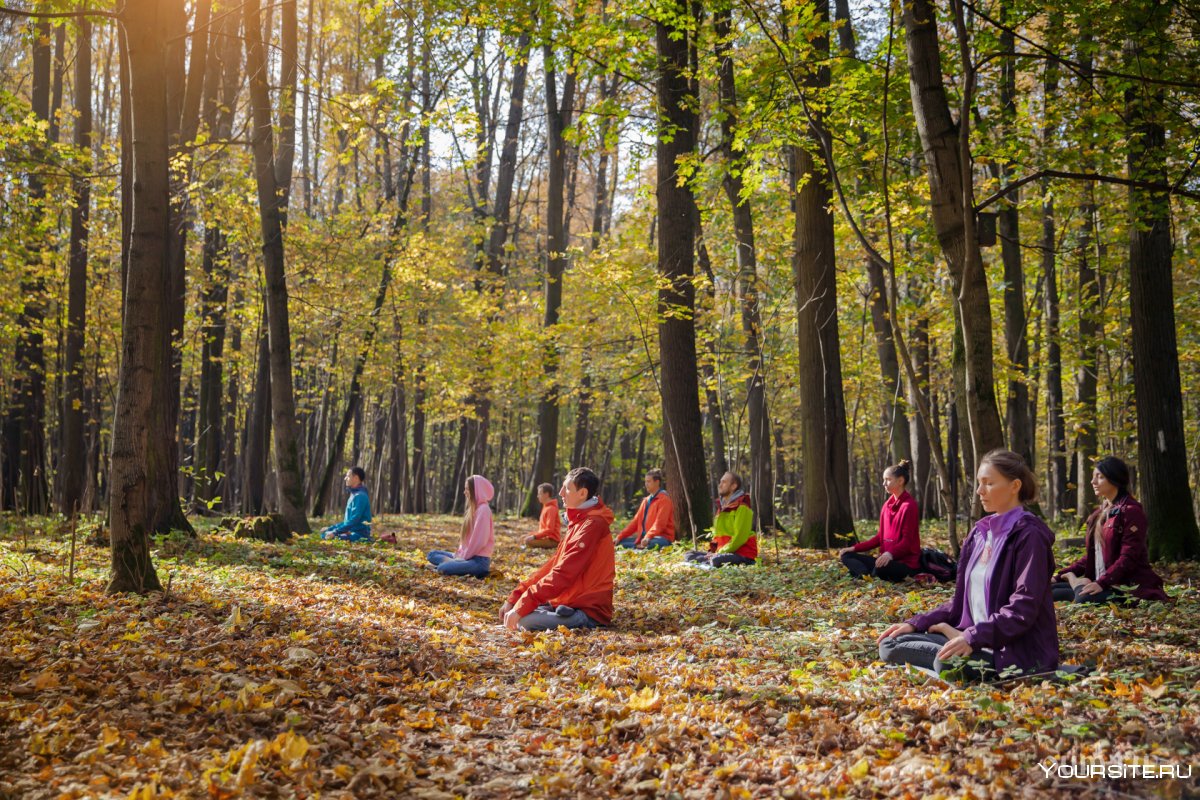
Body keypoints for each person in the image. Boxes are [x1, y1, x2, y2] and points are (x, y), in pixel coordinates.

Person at [877, 450, 1058, 681]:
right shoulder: (980, 533)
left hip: (1012, 652)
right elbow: (962, 600)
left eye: (989, 483)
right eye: (979, 483)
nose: (980, 491)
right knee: (891, 643)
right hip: (972, 638)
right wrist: (917, 622)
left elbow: (1023, 608)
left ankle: (947, 648)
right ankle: (946, 640)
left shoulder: (1029, 536)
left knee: (947, 663)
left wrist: (972, 637)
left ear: (1015, 486)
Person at [500, 467, 615, 631]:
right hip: (569, 602)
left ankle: (571, 617)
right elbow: (552, 566)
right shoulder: (579, 522)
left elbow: (564, 572)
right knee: (517, 612)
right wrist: (516, 596)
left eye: (567, 488)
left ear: (582, 494)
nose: (561, 492)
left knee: (522, 621)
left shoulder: (593, 525)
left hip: (588, 610)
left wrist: (524, 604)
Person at [1052, 456, 1169, 604]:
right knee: (1051, 589)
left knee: (1083, 599)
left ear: (1115, 479)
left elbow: (1129, 557)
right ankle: (1075, 582)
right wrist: (1058, 576)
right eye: (1093, 477)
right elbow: (1090, 557)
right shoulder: (1098, 515)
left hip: (1128, 588)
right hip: (1104, 583)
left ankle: (1075, 582)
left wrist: (1102, 583)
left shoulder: (1131, 512)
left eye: (1099, 477)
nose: (1093, 482)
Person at [838, 459, 921, 582]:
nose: (884, 483)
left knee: (882, 567)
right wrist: (854, 548)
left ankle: (868, 574)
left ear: (900, 481)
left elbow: (907, 541)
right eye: (884, 480)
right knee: (846, 555)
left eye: (888, 480)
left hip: (904, 564)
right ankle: (865, 574)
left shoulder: (909, 506)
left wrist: (890, 554)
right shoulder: (886, 506)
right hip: (884, 560)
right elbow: (879, 538)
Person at [426, 475, 495, 579]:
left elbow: (480, 542)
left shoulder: (484, 510)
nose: (464, 492)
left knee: (443, 568)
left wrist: (463, 558)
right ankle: (453, 563)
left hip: (479, 561)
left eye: (467, 489)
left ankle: (448, 565)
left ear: (476, 491)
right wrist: (459, 556)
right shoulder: (473, 509)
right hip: (465, 557)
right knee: (431, 554)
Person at [685, 471, 757, 568]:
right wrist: (712, 552)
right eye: (720, 482)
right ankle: (708, 561)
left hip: (743, 554)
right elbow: (717, 536)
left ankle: (708, 562)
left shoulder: (742, 507)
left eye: (724, 482)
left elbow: (740, 538)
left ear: (733, 486)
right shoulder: (722, 507)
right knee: (689, 555)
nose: (720, 485)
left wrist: (719, 553)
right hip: (723, 552)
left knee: (716, 560)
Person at [615, 469, 676, 550]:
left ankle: (639, 547)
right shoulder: (646, 500)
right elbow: (635, 523)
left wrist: (648, 536)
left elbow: (660, 524)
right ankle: (638, 547)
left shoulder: (664, 500)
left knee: (651, 545)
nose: (646, 484)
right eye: (645, 482)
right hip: (645, 538)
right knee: (619, 543)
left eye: (649, 481)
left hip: (662, 538)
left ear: (657, 482)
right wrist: (620, 537)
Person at [321, 467, 373, 542]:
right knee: (325, 534)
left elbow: (354, 520)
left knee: (326, 536)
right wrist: (330, 528)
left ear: (355, 478)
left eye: (348, 476)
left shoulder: (360, 496)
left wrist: (335, 532)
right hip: (351, 532)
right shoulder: (354, 495)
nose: (345, 478)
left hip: (359, 535)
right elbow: (348, 522)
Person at [523, 483, 562, 550]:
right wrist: (532, 534)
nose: (538, 496)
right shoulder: (546, 507)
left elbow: (549, 530)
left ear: (546, 494)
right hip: (545, 538)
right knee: (524, 537)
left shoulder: (551, 509)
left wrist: (534, 537)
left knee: (528, 541)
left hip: (552, 540)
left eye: (539, 494)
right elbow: (543, 530)